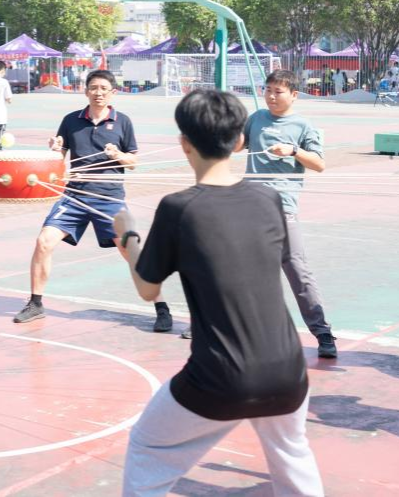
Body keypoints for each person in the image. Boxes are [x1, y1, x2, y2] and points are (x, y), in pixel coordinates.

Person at [116, 88, 323, 496]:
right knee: (292, 457)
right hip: (288, 370)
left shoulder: (179, 208)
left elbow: (147, 288)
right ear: (240, 140)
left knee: (148, 448)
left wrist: (129, 237)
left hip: (220, 377)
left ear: (184, 143)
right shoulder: (268, 198)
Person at [12, 69, 173, 333]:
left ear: (113, 92)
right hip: (74, 196)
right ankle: (36, 303)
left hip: (109, 197)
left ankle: (161, 308)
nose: (98, 93)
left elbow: (133, 162)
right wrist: (54, 150)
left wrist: (118, 154)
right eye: (93, 88)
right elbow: (58, 159)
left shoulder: (123, 122)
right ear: (85, 91)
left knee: (131, 251)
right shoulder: (70, 120)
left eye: (103, 89)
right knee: (44, 241)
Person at [242, 69, 338, 358]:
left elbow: (319, 164)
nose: (271, 96)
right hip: (249, 205)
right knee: (239, 268)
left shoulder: (303, 126)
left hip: (282, 207)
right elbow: (236, 146)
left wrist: (293, 151)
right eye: (268, 90)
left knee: (296, 269)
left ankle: (322, 332)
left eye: (278, 91)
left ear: (294, 95)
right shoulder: (255, 118)